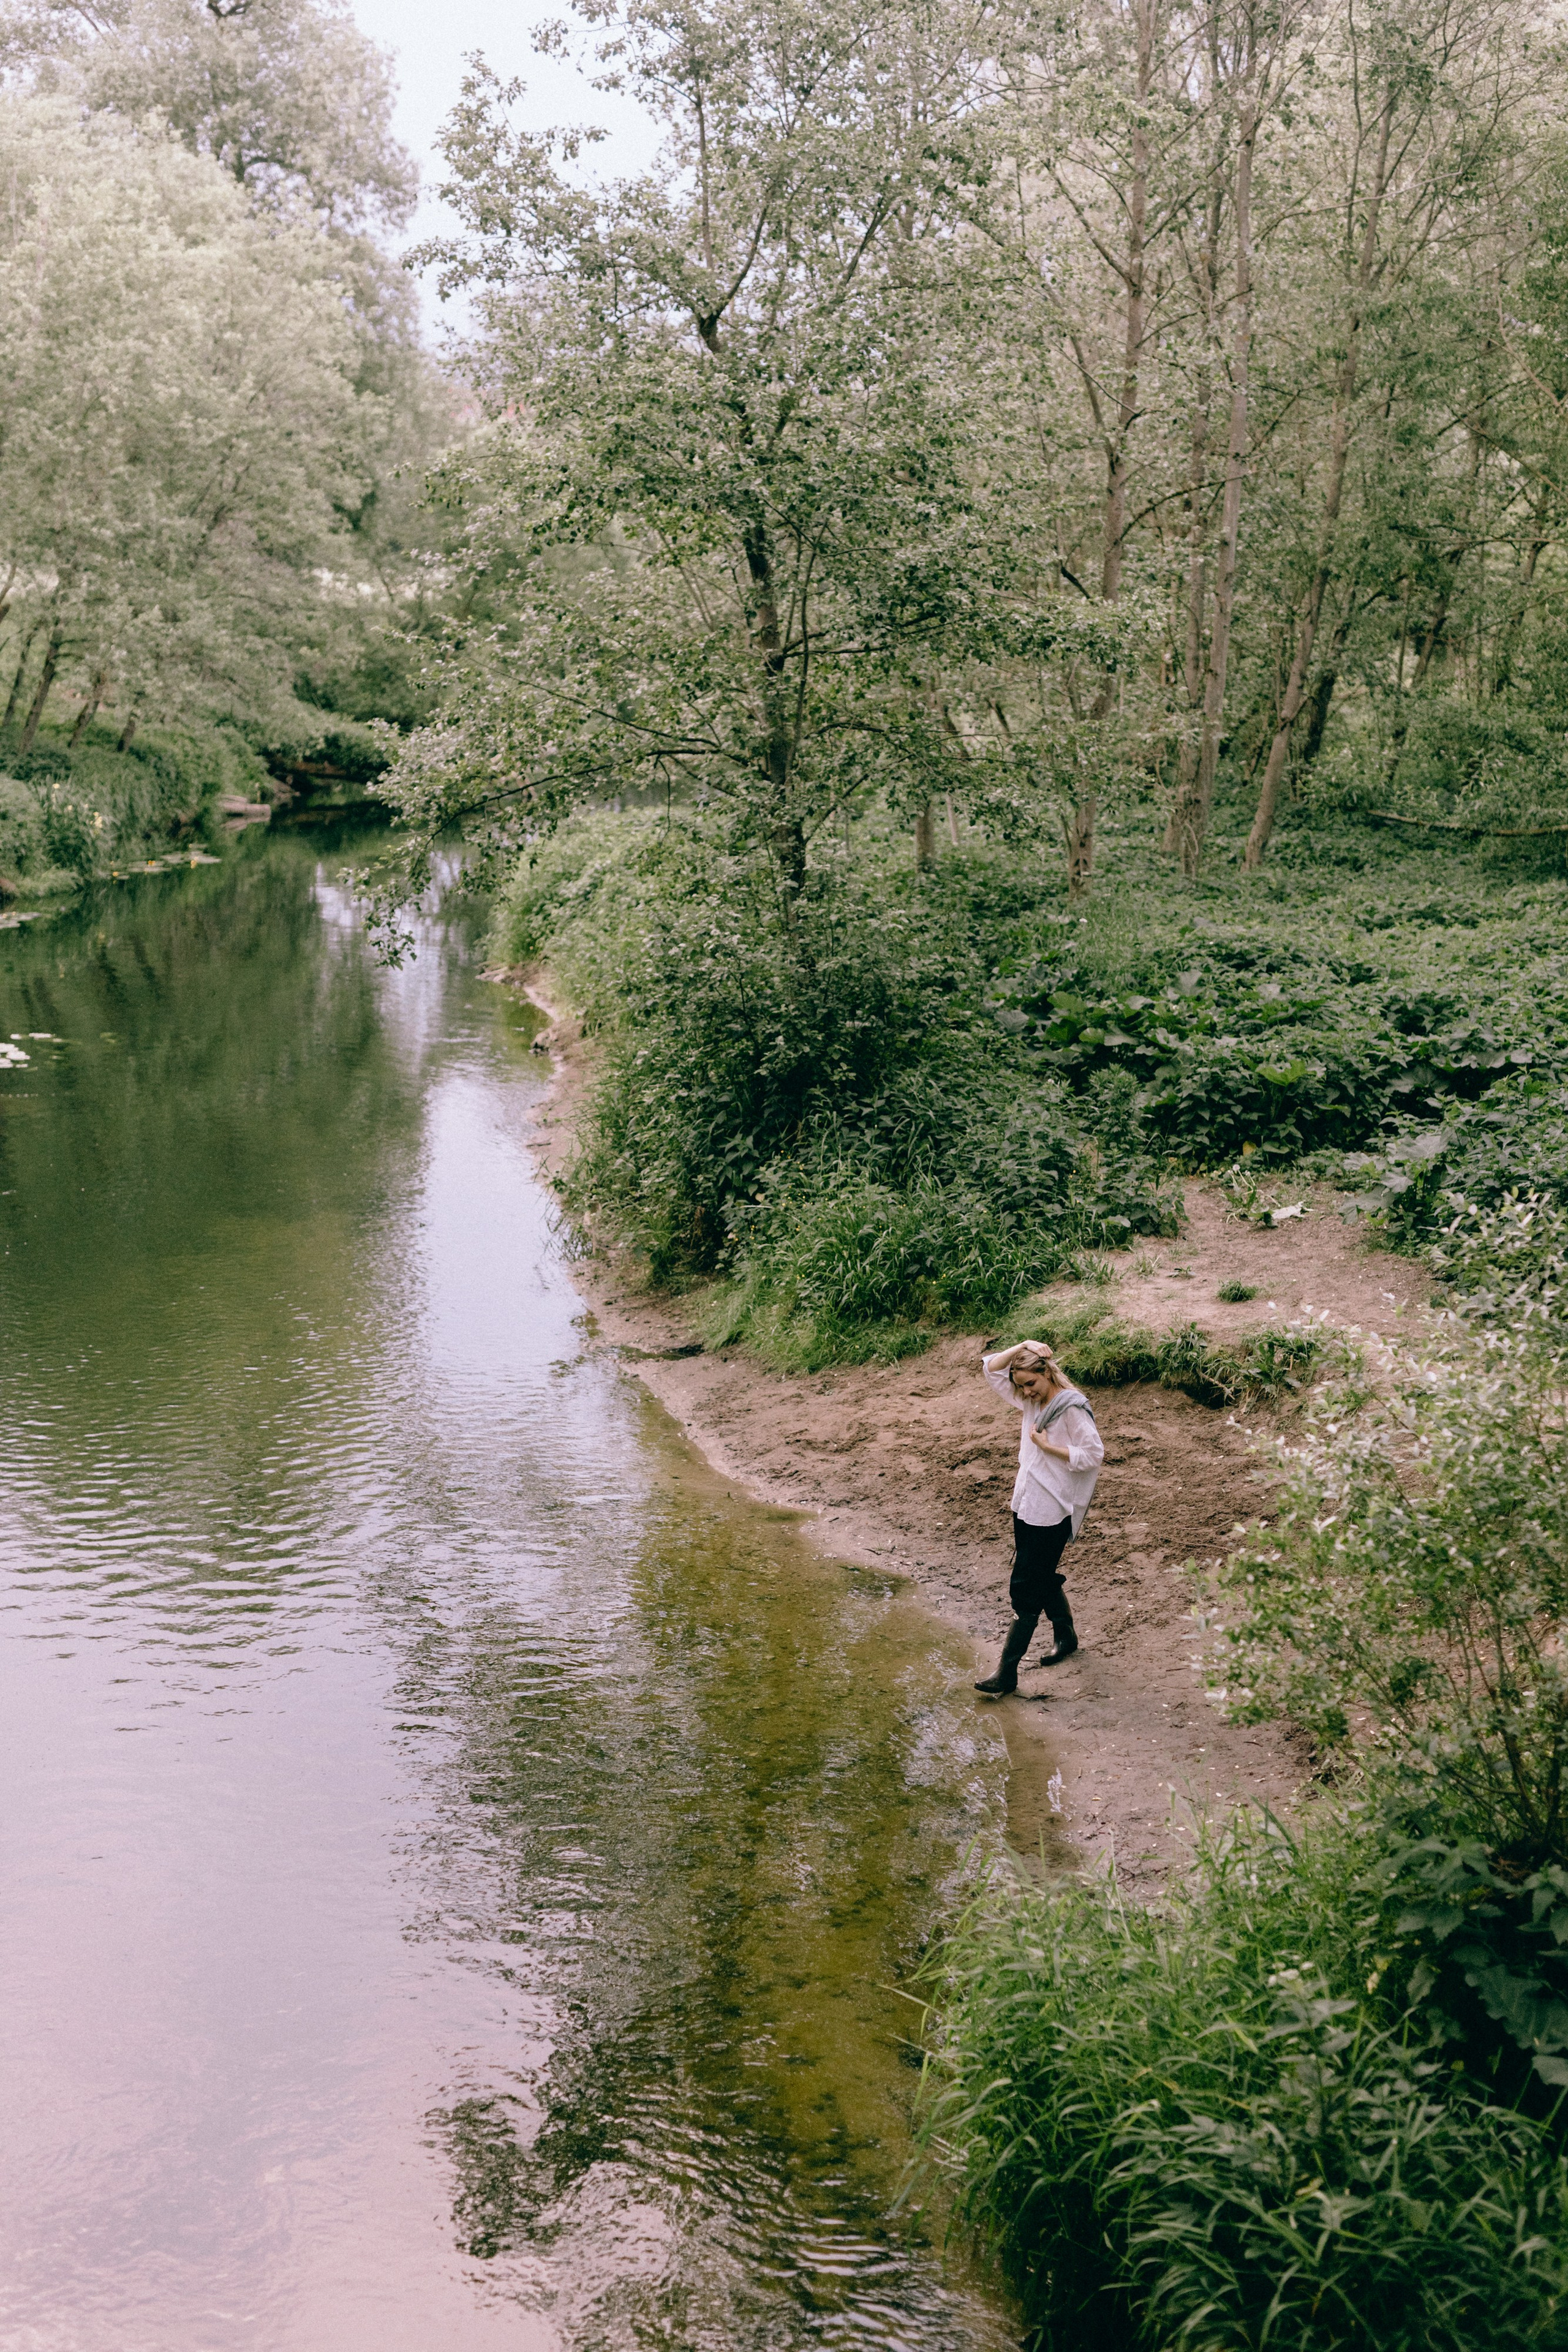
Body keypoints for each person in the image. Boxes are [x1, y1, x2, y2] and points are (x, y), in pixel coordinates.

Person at [973, 1340, 1103, 1696]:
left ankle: (1007, 1673)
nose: (1025, 1392)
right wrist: (1023, 1345)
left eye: (1031, 1383)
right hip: (1027, 1502)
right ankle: (1066, 1635)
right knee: (1039, 1573)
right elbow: (992, 1370)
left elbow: (1093, 1454)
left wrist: (1048, 1447)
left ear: (1046, 1372)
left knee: (1025, 1587)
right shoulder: (1031, 1399)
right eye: (1021, 1386)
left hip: (1052, 1509)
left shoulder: (1071, 1408)